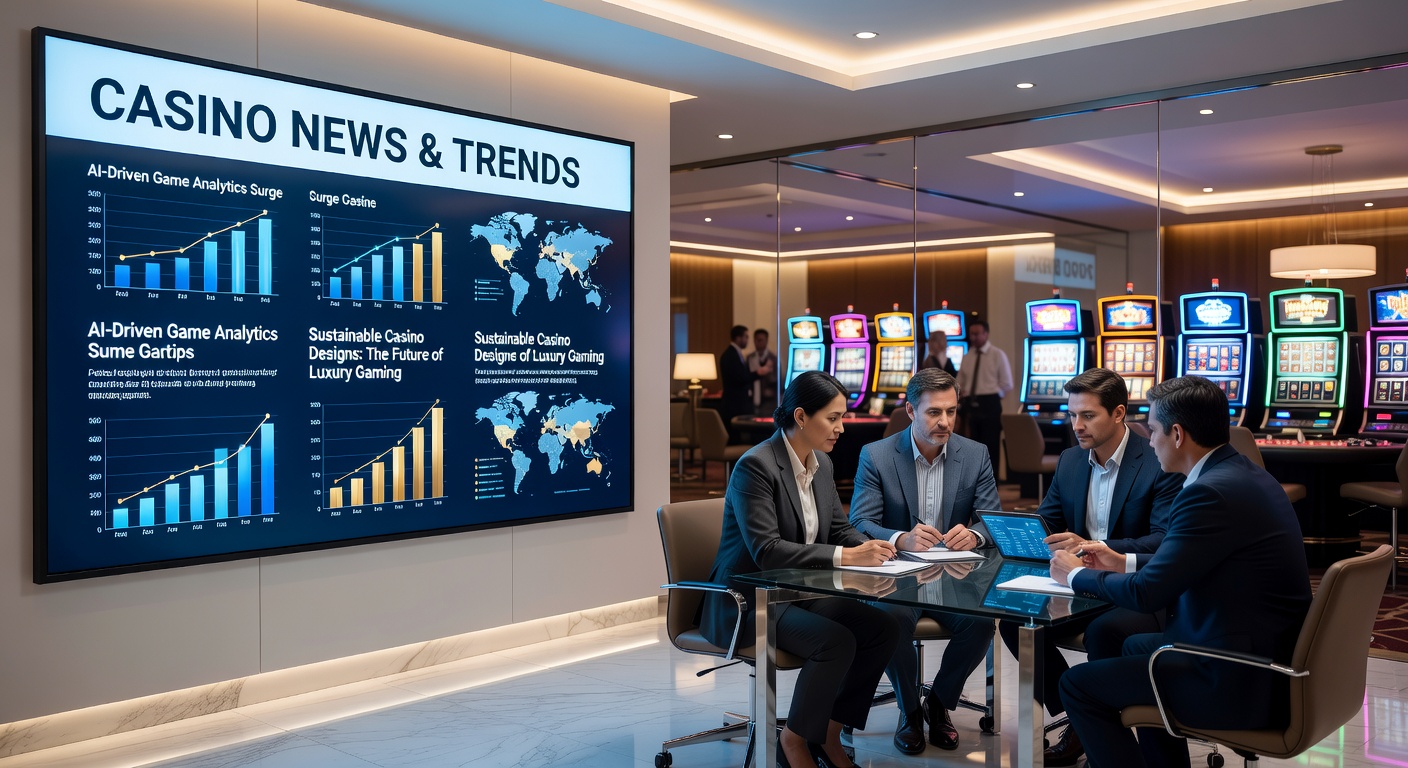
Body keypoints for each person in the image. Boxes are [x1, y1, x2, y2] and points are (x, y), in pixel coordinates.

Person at [1051, 376, 1312, 768]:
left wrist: (1073, 575)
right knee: (1132, 644)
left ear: (1177, 434)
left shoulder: (1207, 493)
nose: (1148, 440)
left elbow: (1147, 594)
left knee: (1076, 686)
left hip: (1236, 677)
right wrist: (1121, 560)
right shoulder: (1241, 472)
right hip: (1260, 653)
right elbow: (1189, 559)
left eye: (1152, 430)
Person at [700, 370, 901, 768]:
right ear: (802, 416)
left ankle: (827, 732)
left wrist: (880, 549)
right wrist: (847, 558)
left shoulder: (821, 464)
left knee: (883, 627)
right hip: (748, 601)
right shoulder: (754, 467)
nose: (842, 428)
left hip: (797, 592)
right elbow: (767, 551)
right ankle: (794, 742)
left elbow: (840, 529)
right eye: (834, 418)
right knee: (836, 641)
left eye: (843, 417)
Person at [994, 367, 1182, 766]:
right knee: (1014, 621)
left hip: (1135, 587)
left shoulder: (1156, 459)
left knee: (1104, 632)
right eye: (1072, 414)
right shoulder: (1070, 460)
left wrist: (1096, 547)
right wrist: (1018, 532)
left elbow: (1164, 539)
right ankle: (1080, 716)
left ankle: (1089, 721)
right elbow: (1048, 519)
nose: (1076, 425)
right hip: (1080, 584)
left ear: (1118, 413)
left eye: (1087, 415)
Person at [850, 367, 1000, 754]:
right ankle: (909, 710)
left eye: (951, 411)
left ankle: (939, 701)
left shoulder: (975, 453)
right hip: (896, 576)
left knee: (983, 620)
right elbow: (859, 521)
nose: (945, 422)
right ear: (910, 410)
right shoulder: (877, 455)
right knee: (891, 619)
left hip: (954, 578)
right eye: (934, 412)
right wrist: (901, 537)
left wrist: (976, 533)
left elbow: (991, 519)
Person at [953, 319, 1012, 469]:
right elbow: (959, 382)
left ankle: (992, 487)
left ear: (986, 334)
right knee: (972, 449)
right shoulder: (967, 357)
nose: (973, 337)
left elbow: (1007, 383)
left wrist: (992, 393)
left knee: (991, 448)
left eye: (977, 334)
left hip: (990, 403)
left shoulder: (997, 355)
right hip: (970, 405)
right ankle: (975, 488)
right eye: (971, 334)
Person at [720, 324, 773, 441]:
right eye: (746, 337)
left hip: (743, 403)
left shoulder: (734, 353)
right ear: (738, 338)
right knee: (735, 438)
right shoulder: (731, 355)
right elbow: (741, 378)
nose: (748, 340)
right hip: (734, 404)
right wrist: (759, 373)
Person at [748, 327, 779, 417]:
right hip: (752, 400)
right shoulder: (750, 358)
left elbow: (777, 380)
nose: (758, 342)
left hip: (768, 402)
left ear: (766, 340)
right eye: (756, 340)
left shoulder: (773, 359)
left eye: (761, 340)